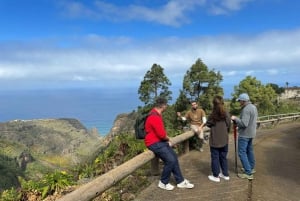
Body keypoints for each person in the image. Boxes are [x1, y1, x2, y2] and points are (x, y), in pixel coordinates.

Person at [145, 97, 194, 191]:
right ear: (163, 105)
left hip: (159, 141)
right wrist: (169, 139)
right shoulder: (154, 117)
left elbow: (160, 134)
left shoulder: (156, 114)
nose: (166, 107)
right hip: (154, 143)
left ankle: (180, 181)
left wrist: (166, 140)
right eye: (166, 105)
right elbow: (161, 134)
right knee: (170, 160)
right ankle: (163, 182)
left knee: (174, 157)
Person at [231, 93, 258, 180]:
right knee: (249, 150)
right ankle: (251, 167)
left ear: (243, 101)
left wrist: (235, 119)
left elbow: (244, 123)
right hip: (251, 133)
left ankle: (248, 172)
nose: (239, 102)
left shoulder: (246, 109)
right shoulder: (253, 107)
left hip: (245, 134)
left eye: (240, 101)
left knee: (242, 152)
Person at [205, 95, 231, 182]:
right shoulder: (226, 113)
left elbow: (208, 124)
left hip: (215, 140)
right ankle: (225, 174)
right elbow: (228, 124)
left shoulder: (212, 115)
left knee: (215, 157)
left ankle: (216, 176)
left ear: (214, 104)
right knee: (223, 157)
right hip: (224, 139)